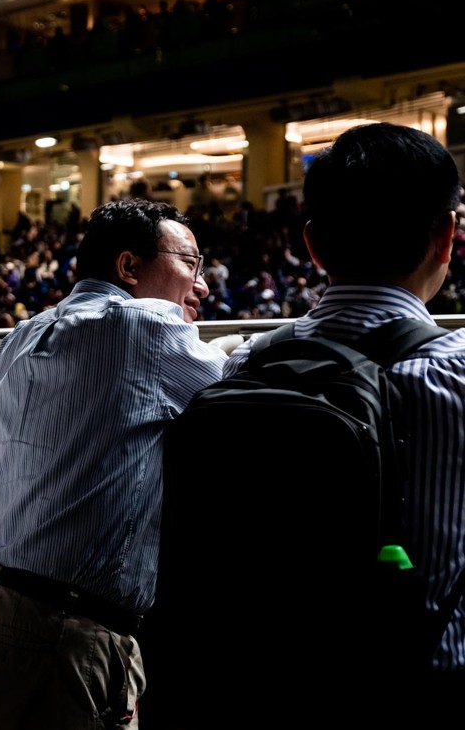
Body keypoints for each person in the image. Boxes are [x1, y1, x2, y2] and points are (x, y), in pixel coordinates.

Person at [199, 123, 465, 721]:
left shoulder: (247, 361)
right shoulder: (455, 374)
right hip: (418, 684)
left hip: (262, 678)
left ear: (313, 246)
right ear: (447, 237)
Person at [0, 199, 225, 729]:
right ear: (128, 267)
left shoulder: (34, 329)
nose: (202, 285)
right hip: (64, 630)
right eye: (190, 263)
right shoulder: (146, 327)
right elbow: (240, 392)